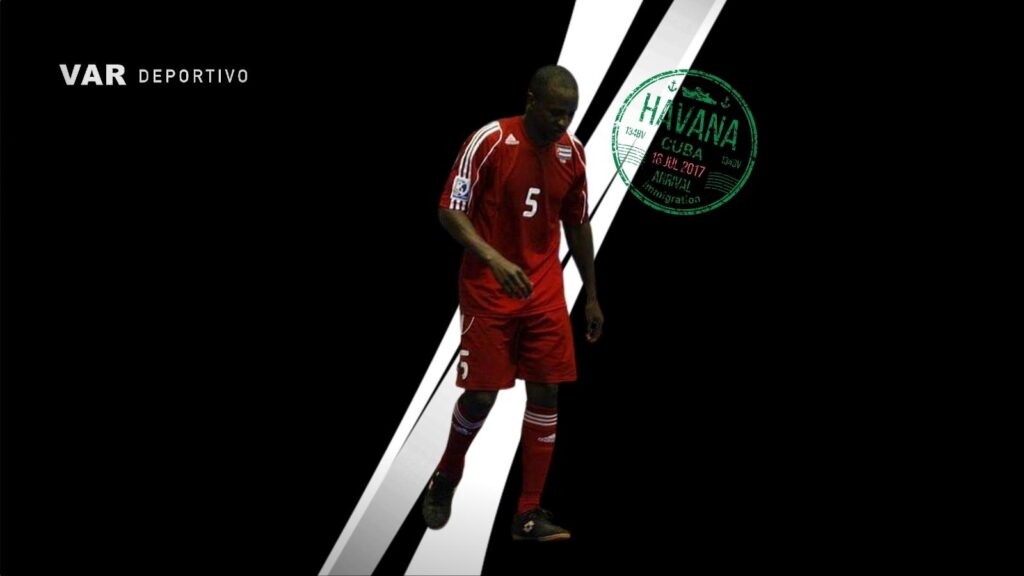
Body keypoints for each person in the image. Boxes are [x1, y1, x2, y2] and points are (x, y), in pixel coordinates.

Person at [423, 65, 603, 542]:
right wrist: (494, 258)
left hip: (544, 291)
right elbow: (449, 210)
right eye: (555, 112)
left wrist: (591, 295)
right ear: (531, 101)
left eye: (570, 114)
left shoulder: (572, 153)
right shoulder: (489, 141)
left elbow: (577, 222)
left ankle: (528, 512)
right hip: (488, 288)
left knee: (547, 392)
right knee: (481, 396)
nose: (562, 122)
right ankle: (447, 472)